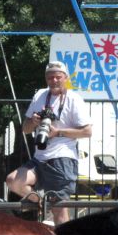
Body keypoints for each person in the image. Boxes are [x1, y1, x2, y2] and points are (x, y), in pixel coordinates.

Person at [5, 61, 92, 226]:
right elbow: (25, 129)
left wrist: (57, 132)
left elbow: (87, 131)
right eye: (50, 77)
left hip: (62, 159)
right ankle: (41, 203)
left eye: (58, 77)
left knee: (59, 211)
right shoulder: (40, 95)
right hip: (40, 157)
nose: (54, 80)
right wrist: (34, 121)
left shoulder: (74, 99)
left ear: (65, 78)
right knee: (13, 181)